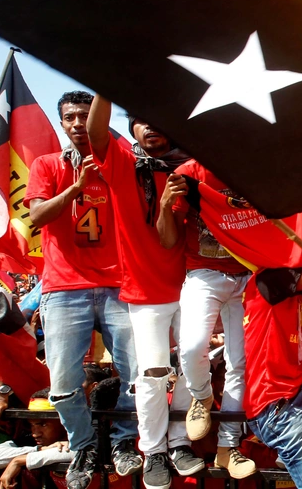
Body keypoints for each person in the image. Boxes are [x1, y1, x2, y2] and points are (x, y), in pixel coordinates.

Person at [23, 91, 140, 489]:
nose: (77, 124)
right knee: (62, 385)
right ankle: (84, 444)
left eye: (84, 117)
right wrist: (76, 188)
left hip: (117, 285)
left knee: (135, 374)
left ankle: (125, 443)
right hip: (64, 286)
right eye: (69, 117)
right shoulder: (46, 164)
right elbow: (37, 215)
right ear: (61, 122)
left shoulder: (120, 162)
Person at [87, 98, 203, 489]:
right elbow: (95, 132)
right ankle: (152, 450)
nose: (150, 127)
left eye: (158, 120)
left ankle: (180, 443)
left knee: (191, 366)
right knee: (153, 375)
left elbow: (169, 239)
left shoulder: (187, 171)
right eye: (140, 121)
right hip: (145, 292)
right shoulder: (120, 163)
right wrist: (106, 85)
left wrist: (169, 204)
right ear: (132, 129)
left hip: (189, 287)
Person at [155, 160, 255, 479]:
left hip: (248, 275)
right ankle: (202, 395)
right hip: (204, 274)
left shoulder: (256, 165)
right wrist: (165, 204)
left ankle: (228, 448)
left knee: (239, 363)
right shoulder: (190, 172)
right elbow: (168, 239)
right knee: (192, 346)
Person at [242, 266, 302, 489]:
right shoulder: (268, 280)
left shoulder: (277, 284)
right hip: (278, 407)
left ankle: (292, 455)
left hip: (294, 392)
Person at [0, 391, 72, 489]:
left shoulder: (86, 442)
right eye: (31, 425)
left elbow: (79, 450)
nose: (35, 434)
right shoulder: (28, 443)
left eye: (43, 425)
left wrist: (19, 460)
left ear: (63, 423)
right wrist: (40, 450)